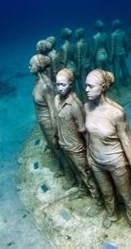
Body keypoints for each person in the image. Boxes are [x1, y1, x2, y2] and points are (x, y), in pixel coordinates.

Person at [84, 69, 131, 234]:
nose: (86, 90)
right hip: (96, 161)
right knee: (107, 192)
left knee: (126, 194)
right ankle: (112, 214)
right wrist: (89, 156)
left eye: (90, 86)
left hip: (116, 163)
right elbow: (89, 135)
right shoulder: (86, 107)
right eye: (85, 86)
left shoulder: (116, 113)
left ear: (102, 87)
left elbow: (127, 142)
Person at [54, 68, 103, 216]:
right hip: (64, 144)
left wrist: (89, 151)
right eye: (57, 84)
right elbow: (58, 122)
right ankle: (82, 190)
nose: (60, 88)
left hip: (76, 147)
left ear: (71, 84)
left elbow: (83, 130)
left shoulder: (75, 105)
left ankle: (98, 201)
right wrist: (57, 138)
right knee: (77, 172)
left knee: (86, 174)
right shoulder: (56, 100)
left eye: (63, 84)